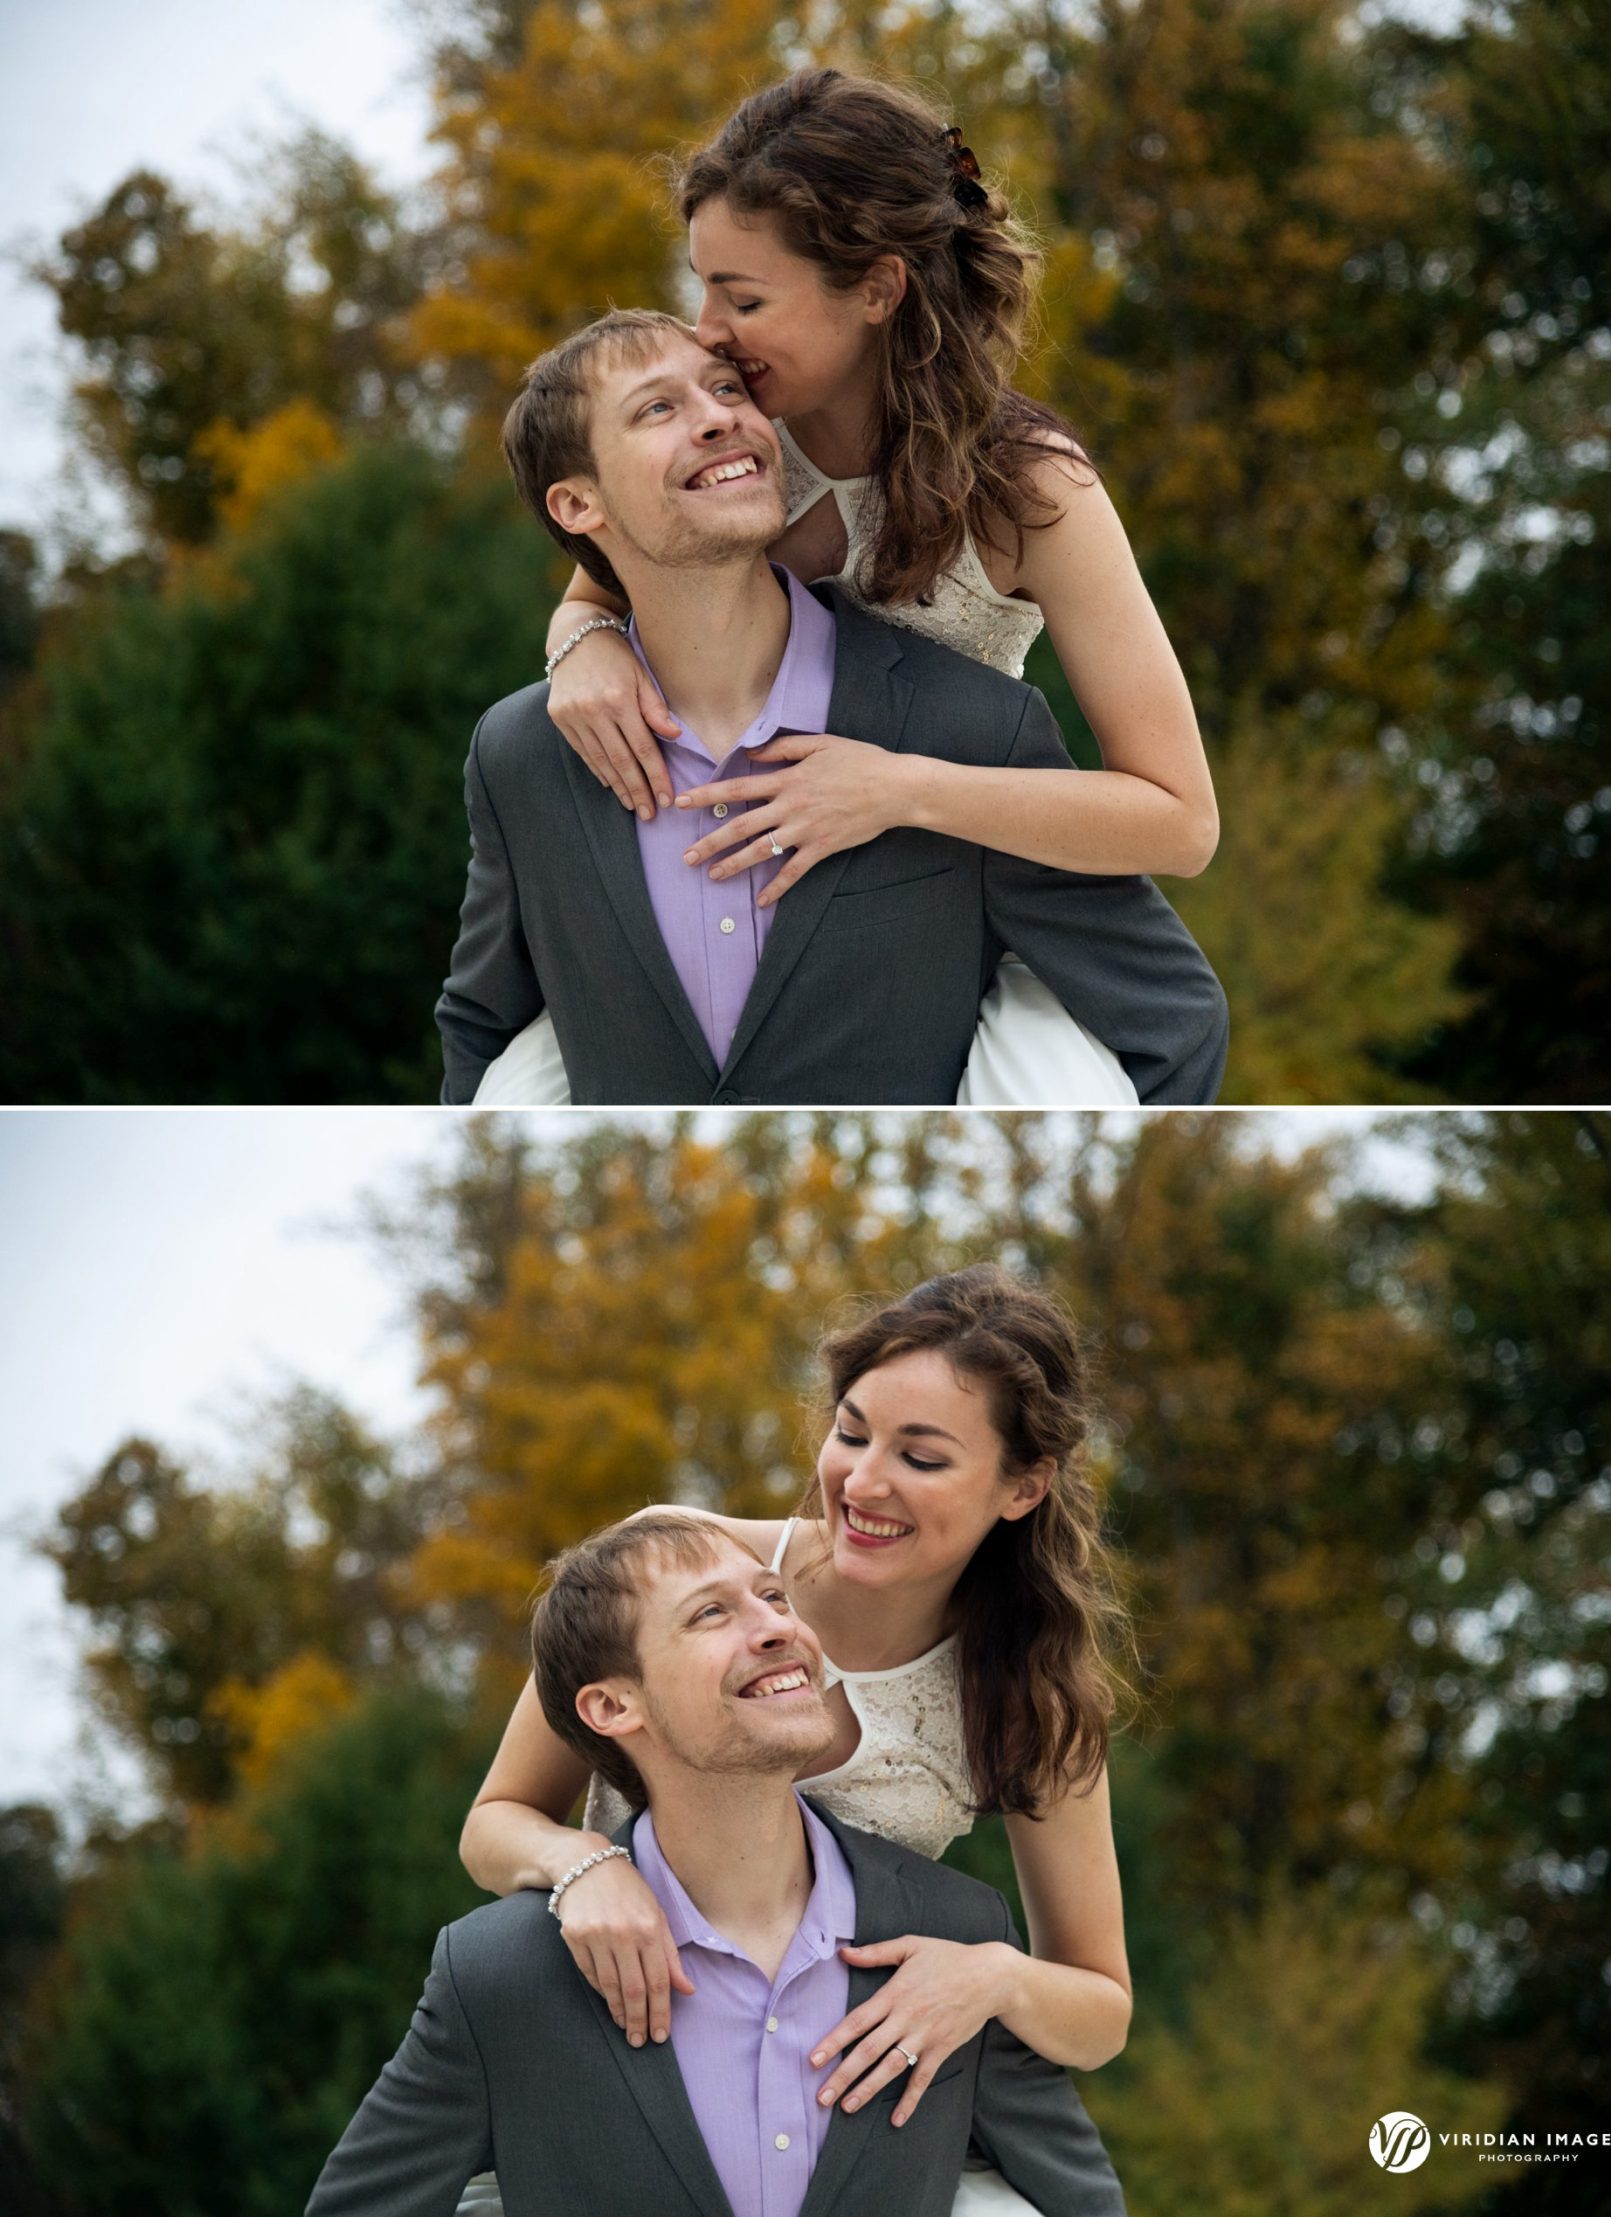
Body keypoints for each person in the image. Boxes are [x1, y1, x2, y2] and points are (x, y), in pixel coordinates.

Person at [474, 67, 1220, 1108]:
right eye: (700, 286)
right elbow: (608, 576)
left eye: (742, 298)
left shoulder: (1030, 487)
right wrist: (578, 645)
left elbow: (1179, 821)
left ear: (875, 289)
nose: (704, 332)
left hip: (942, 902)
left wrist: (900, 788)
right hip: (745, 898)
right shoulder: (733, 443)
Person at [454, 1266, 1136, 2216]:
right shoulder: (663, 1562)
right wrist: (581, 1866)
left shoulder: (1030, 1700)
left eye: (923, 1458)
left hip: (842, 2114)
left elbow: (1100, 2008)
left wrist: (991, 1975)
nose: (863, 1481)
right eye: (851, 1431)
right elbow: (493, 1822)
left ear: (1023, 1486)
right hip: (617, 2064)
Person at [308, 1511, 1126, 2217]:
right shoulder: (499, 1976)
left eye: (774, 1598)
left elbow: (1079, 2201)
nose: (777, 1626)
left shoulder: (959, 1937)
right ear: (611, 1705)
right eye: (709, 1614)